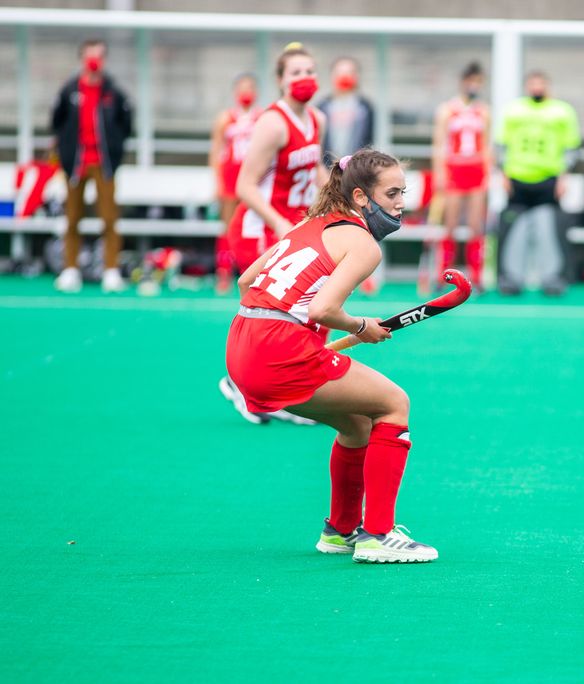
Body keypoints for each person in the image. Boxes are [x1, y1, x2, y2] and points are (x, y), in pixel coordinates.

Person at [225, 148, 438, 564]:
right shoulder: (363, 245)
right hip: (279, 350)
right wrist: (362, 327)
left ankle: (340, 531)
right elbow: (323, 309)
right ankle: (378, 534)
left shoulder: (309, 224)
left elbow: (247, 280)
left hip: (241, 344)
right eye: (392, 193)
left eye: (403, 192)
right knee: (395, 404)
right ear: (361, 197)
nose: (401, 202)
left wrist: (287, 333)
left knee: (358, 423)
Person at [219, 42, 328, 426]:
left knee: (305, 309)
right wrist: (279, 222)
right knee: (267, 314)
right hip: (259, 231)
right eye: (296, 72)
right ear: (281, 80)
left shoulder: (316, 119)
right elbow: (245, 186)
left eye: (310, 71)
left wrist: (337, 199)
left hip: (294, 231)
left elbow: (314, 170)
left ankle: (292, 393)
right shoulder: (272, 122)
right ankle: (238, 382)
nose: (305, 79)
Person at [51, 38, 133, 293]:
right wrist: (65, 154)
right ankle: (70, 269)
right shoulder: (69, 90)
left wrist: (115, 152)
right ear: (82, 58)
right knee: (72, 217)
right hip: (76, 164)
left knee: (109, 218)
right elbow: (57, 122)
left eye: (98, 55)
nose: (94, 60)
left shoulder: (113, 92)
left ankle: (110, 270)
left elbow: (126, 124)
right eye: (90, 54)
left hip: (104, 164)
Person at [496, 70, 580, 296]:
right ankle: (511, 278)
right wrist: (503, 174)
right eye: (533, 84)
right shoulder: (514, 110)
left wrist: (564, 176)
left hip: (548, 180)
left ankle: (552, 279)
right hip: (517, 179)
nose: (537, 88)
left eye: (540, 84)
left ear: (547, 86)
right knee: (515, 230)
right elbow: (502, 145)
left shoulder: (562, 111)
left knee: (548, 230)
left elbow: (570, 148)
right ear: (527, 86)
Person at [431, 61, 491, 289]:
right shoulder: (448, 109)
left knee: (476, 225)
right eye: (470, 82)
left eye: (478, 82)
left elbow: (486, 145)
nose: (473, 86)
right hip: (454, 169)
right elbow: (439, 144)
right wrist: (440, 173)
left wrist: (487, 173)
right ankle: (444, 274)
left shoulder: (484, 111)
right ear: (462, 83)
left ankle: (477, 276)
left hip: (475, 169)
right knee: (451, 223)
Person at [210, 73, 262, 294]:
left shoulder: (262, 117)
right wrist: (217, 182)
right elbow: (216, 151)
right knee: (228, 227)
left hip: (253, 180)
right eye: (242, 88)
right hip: (231, 179)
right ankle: (223, 272)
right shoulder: (226, 118)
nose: (246, 93)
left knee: (254, 227)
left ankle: (253, 271)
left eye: (250, 88)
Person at [318, 57, 375, 159]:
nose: (344, 77)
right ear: (332, 76)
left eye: (350, 73)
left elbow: (368, 142)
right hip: (327, 169)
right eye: (339, 73)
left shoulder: (366, 108)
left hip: (355, 169)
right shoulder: (322, 107)